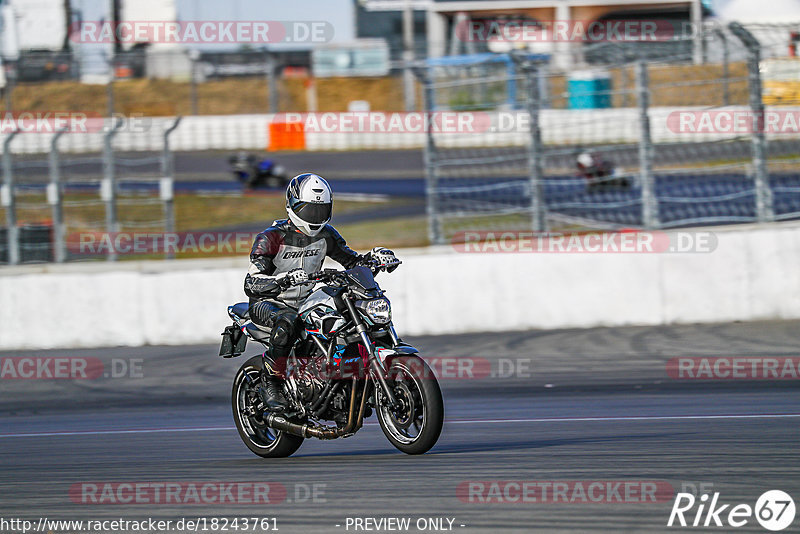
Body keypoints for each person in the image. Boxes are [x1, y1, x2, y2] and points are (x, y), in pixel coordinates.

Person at [243, 173, 399, 412]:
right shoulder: (270, 238)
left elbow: (352, 262)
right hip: (268, 302)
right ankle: (271, 381)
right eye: (309, 210)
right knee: (289, 320)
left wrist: (375, 259)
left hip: (305, 299)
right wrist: (283, 280)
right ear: (292, 206)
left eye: (320, 210)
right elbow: (251, 282)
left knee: (343, 308)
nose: (315, 217)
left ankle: (339, 376)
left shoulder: (327, 234)